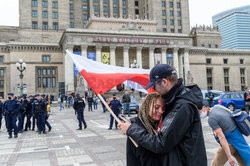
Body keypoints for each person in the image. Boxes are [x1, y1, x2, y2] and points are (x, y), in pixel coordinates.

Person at [118, 64, 207, 165]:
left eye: (154, 85)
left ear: (164, 82)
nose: (154, 89)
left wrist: (131, 129)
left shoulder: (182, 106)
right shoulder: (175, 101)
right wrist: (136, 122)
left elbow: (161, 143)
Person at [126, 93, 164, 166]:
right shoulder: (137, 128)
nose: (161, 111)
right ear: (147, 106)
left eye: (163, 108)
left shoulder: (153, 124)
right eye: (156, 107)